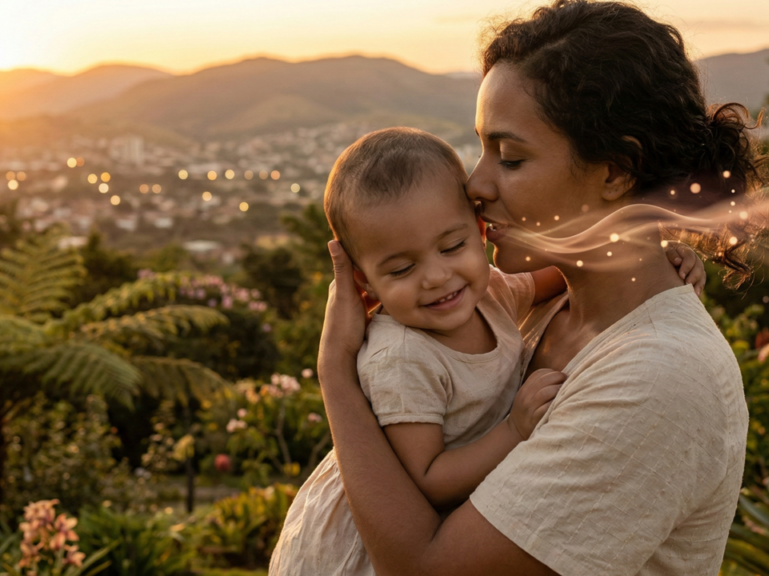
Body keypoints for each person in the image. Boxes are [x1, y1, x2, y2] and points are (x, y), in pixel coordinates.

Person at [314, 1, 769, 575]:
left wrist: (336, 372)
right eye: (481, 148)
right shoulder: (546, 304)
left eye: (510, 158)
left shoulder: (659, 377)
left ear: (615, 171)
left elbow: (425, 569)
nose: (476, 185)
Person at [270, 128, 705, 575]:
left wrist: (658, 255)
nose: (437, 277)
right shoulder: (401, 356)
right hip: (355, 551)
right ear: (363, 282)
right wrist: (514, 430)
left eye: (453, 246)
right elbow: (430, 480)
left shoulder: (490, 293)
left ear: (479, 232)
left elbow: (571, 272)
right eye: (401, 269)